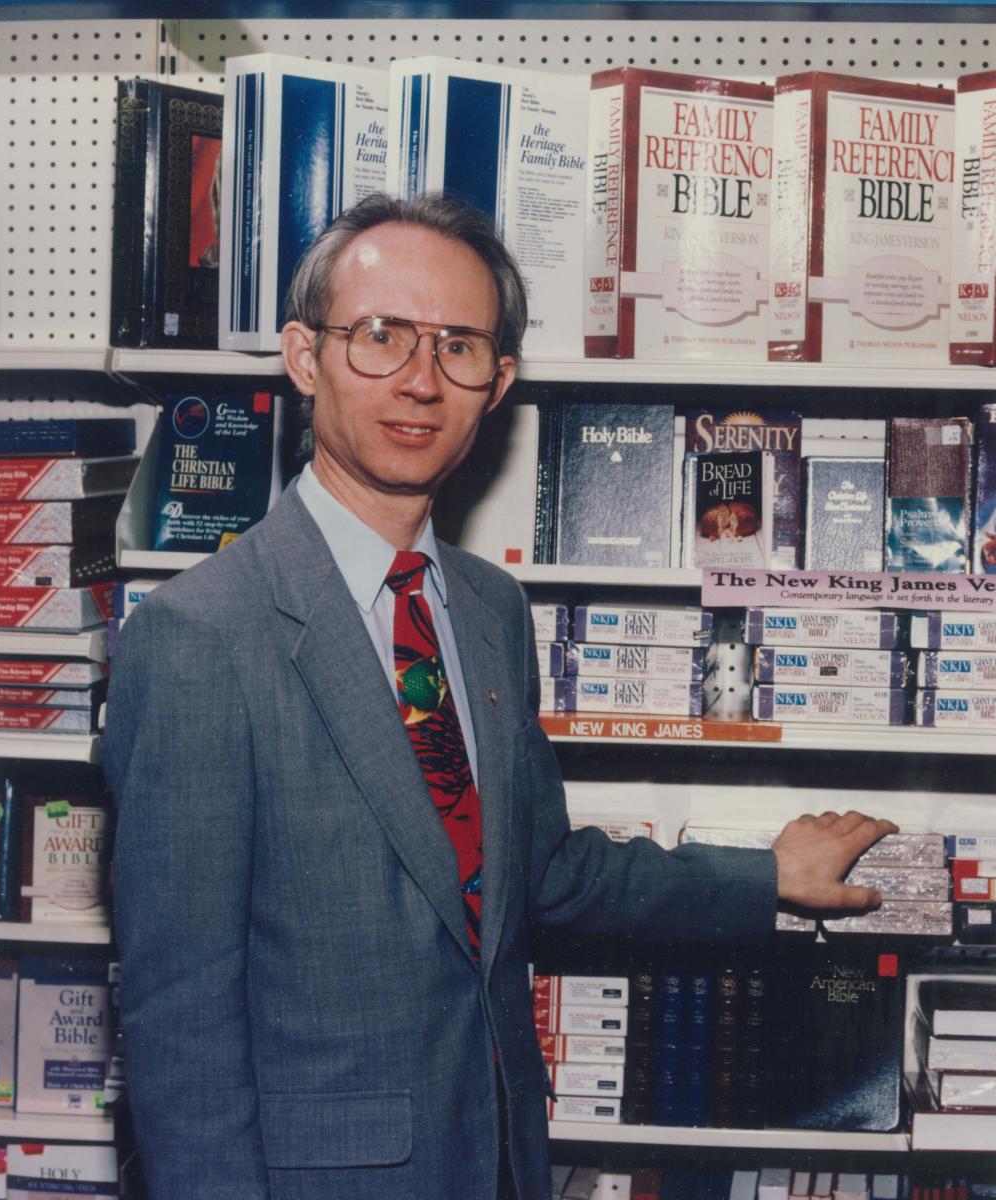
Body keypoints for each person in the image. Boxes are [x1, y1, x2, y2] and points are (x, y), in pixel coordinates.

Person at [104, 192, 897, 1200]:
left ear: (499, 384)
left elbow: (539, 873)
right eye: (380, 336)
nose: (420, 381)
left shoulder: (483, 607)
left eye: (459, 348)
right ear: (305, 359)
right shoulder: (200, 635)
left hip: (498, 1163)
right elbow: (180, 1014)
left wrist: (765, 875)